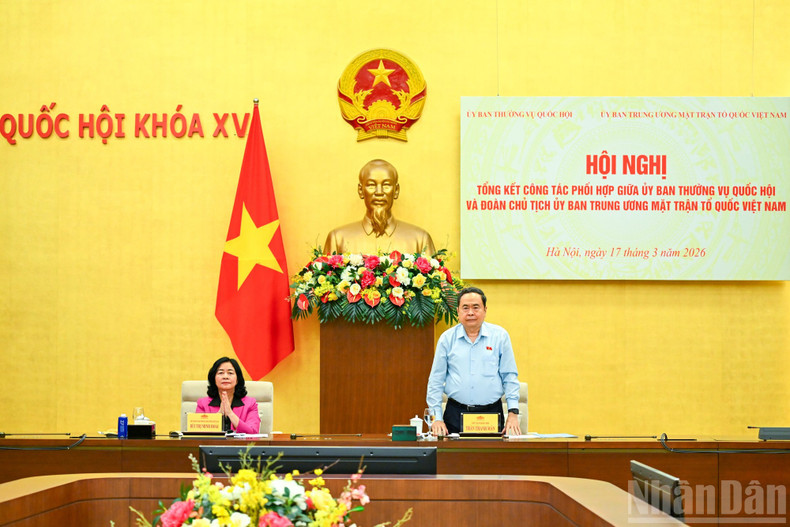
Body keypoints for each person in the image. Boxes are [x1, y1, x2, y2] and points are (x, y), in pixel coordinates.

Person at [426, 287, 522, 436]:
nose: (470, 312)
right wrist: (436, 419)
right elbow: (435, 381)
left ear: (485, 310)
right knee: (453, 459)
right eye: (465, 307)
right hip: (455, 415)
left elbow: (510, 377)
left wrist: (513, 413)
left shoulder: (500, 336)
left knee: (491, 458)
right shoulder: (447, 339)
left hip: (491, 414)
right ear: (458, 311)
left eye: (476, 307)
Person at [324, 159, 436, 255]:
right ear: (360, 190)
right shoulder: (338, 239)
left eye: (386, 185)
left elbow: (435, 279)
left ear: (396, 191)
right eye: (371, 185)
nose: (379, 192)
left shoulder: (420, 240)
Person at [196, 357, 261, 434]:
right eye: (220, 373)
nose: (225, 377)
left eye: (230, 373)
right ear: (214, 379)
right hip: (212, 445)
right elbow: (198, 432)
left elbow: (253, 432)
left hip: (240, 446)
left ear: (237, 379)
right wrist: (219, 415)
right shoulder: (202, 404)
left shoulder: (250, 403)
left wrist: (230, 413)